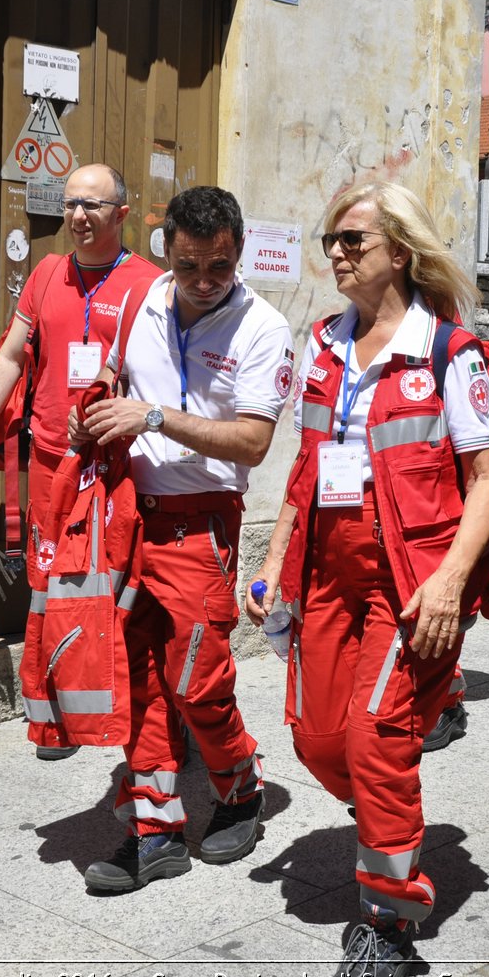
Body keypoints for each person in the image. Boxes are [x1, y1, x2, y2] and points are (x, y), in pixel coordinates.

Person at [248, 181, 489, 977]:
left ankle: (387, 924)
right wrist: (274, 560)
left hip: (409, 576)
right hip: (328, 571)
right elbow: (305, 468)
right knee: (318, 738)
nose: (337, 253)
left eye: (354, 239)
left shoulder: (448, 352)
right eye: (332, 239)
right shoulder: (324, 343)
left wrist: (449, 582)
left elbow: (488, 480)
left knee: (371, 733)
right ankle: (392, 788)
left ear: (401, 249)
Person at [69, 185, 291, 892]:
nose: (203, 281)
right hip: (133, 518)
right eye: (191, 264)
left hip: (203, 523)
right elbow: (116, 373)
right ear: (168, 250)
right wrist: (100, 403)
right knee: (137, 679)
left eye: (219, 266)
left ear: (239, 253)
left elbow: (253, 442)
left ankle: (239, 786)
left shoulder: (264, 328)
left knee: (197, 679)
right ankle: (154, 829)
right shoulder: (145, 300)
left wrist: (155, 419)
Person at [0, 163, 163, 761]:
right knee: (46, 588)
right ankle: (52, 719)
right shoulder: (48, 274)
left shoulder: (149, 285)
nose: (79, 216)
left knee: (109, 591)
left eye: (94, 206)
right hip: (50, 462)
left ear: (121, 214)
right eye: (72, 203)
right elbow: (10, 360)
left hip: (112, 471)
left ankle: (123, 711)